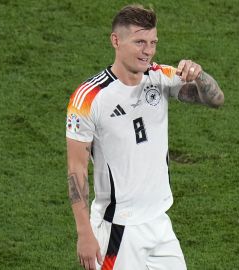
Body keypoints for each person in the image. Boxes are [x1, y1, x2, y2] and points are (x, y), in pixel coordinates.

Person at [66, 4, 224, 270]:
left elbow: (216, 100)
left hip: (159, 223)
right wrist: (84, 233)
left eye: (153, 42)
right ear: (116, 41)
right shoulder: (88, 98)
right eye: (140, 42)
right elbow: (76, 169)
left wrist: (200, 75)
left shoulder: (159, 76)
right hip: (118, 229)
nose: (148, 50)